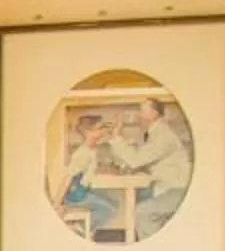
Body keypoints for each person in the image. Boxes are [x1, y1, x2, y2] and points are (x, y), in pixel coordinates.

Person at [103, 98, 193, 238]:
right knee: (140, 198)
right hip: (166, 187)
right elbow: (142, 159)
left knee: (142, 211)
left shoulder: (163, 135)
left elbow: (136, 159)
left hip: (178, 190)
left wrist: (116, 136)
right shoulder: (155, 133)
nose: (138, 115)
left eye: (142, 111)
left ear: (155, 113)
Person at [56, 111, 117, 235]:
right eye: (99, 128)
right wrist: (57, 203)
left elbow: (90, 170)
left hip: (85, 190)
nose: (103, 132)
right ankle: (81, 228)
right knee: (110, 209)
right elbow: (68, 177)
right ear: (88, 132)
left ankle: (87, 229)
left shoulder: (92, 149)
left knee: (114, 202)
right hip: (77, 196)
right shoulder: (82, 153)